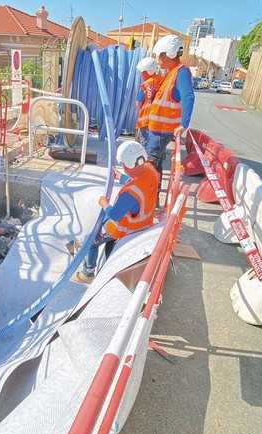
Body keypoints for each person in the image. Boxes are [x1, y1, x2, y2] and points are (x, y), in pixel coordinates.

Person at [75, 141, 160, 283]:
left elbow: (113, 214)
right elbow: (140, 180)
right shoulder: (151, 170)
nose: (124, 168)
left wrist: (105, 204)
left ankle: (87, 273)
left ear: (128, 166)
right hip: (145, 222)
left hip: (126, 228)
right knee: (104, 241)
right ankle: (103, 257)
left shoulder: (131, 194)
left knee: (92, 240)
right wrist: (121, 177)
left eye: (124, 166)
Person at [146, 34, 195, 191]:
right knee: (156, 164)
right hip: (158, 129)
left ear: (168, 54)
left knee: (150, 165)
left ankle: (148, 199)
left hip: (162, 130)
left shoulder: (181, 73)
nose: (157, 59)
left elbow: (188, 97)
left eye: (158, 55)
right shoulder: (171, 73)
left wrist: (184, 124)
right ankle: (152, 199)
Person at [135, 57, 163, 148]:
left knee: (143, 147)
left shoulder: (146, 84)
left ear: (148, 72)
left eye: (143, 72)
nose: (142, 75)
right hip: (160, 121)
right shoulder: (163, 81)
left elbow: (138, 102)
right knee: (156, 148)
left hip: (146, 121)